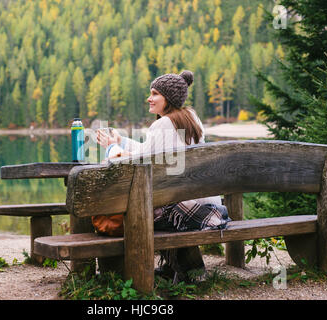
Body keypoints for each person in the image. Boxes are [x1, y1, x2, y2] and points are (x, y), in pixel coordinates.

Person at [96, 70, 230, 283]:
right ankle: (178, 269)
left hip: (185, 210)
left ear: (169, 98)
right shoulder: (191, 119)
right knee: (160, 202)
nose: (149, 98)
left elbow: (137, 162)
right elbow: (150, 153)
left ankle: (121, 274)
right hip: (208, 207)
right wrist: (121, 142)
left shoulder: (162, 125)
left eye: (155, 93)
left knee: (140, 212)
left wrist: (112, 149)